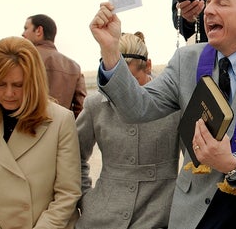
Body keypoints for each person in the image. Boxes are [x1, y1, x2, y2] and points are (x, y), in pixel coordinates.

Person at [91, 0, 236, 229]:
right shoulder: (185, 60)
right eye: (209, 3)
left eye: (222, 3)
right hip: (198, 199)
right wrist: (109, 50)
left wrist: (233, 162)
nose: (209, 10)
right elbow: (137, 108)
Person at [0, 36, 81, 229]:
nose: (8, 93)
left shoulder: (61, 120)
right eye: (0, 84)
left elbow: (67, 193)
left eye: (18, 85)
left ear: (34, 83)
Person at [76, 31, 181, 229]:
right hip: (101, 219)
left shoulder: (175, 105)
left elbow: (194, 164)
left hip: (158, 217)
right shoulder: (94, 105)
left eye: (132, 81)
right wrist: (86, 199)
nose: (125, 94)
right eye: (118, 83)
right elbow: (73, 157)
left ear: (148, 66)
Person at [22, 14, 86, 118]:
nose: (23, 33)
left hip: (25, 128)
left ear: (39, 30)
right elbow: (81, 109)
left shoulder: (22, 59)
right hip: (60, 131)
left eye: (26, 28)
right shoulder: (74, 67)